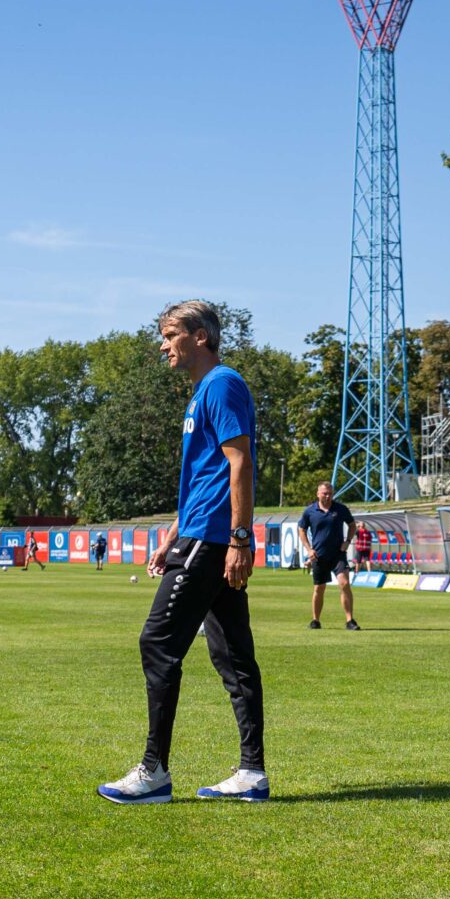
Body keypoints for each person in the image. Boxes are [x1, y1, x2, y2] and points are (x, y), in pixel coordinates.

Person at [99, 300, 268, 805]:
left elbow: (240, 465)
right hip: (199, 534)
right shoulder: (202, 392)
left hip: (214, 540)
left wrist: (240, 540)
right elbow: (207, 475)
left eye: (169, 333)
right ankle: (251, 774)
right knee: (234, 657)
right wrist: (173, 531)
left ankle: (153, 772)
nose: (162, 343)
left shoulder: (221, 384)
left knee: (158, 643)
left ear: (200, 336)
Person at [298, 481, 358, 630]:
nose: (328, 496)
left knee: (344, 583)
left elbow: (352, 525)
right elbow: (301, 529)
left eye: (330, 493)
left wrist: (348, 541)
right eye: (325, 493)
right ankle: (315, 620)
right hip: (319, 556)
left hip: (338, 555)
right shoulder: (309, 511)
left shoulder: (341, 509)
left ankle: (350, 621)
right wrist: (309, 549)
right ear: (318, 494)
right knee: (319, 588)